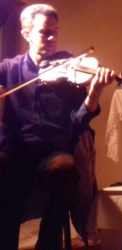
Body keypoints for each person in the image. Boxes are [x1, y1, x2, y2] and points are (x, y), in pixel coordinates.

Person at [0, 4, 115, 250]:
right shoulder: (7, 71)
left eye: (55, 31)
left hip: (52, 153)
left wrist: (93, 95)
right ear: (26, 34)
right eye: (45, 32)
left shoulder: (68, 72)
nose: (52, 38)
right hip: (15, 153)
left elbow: (76, 123)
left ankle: (47, 244)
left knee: (65, 168)